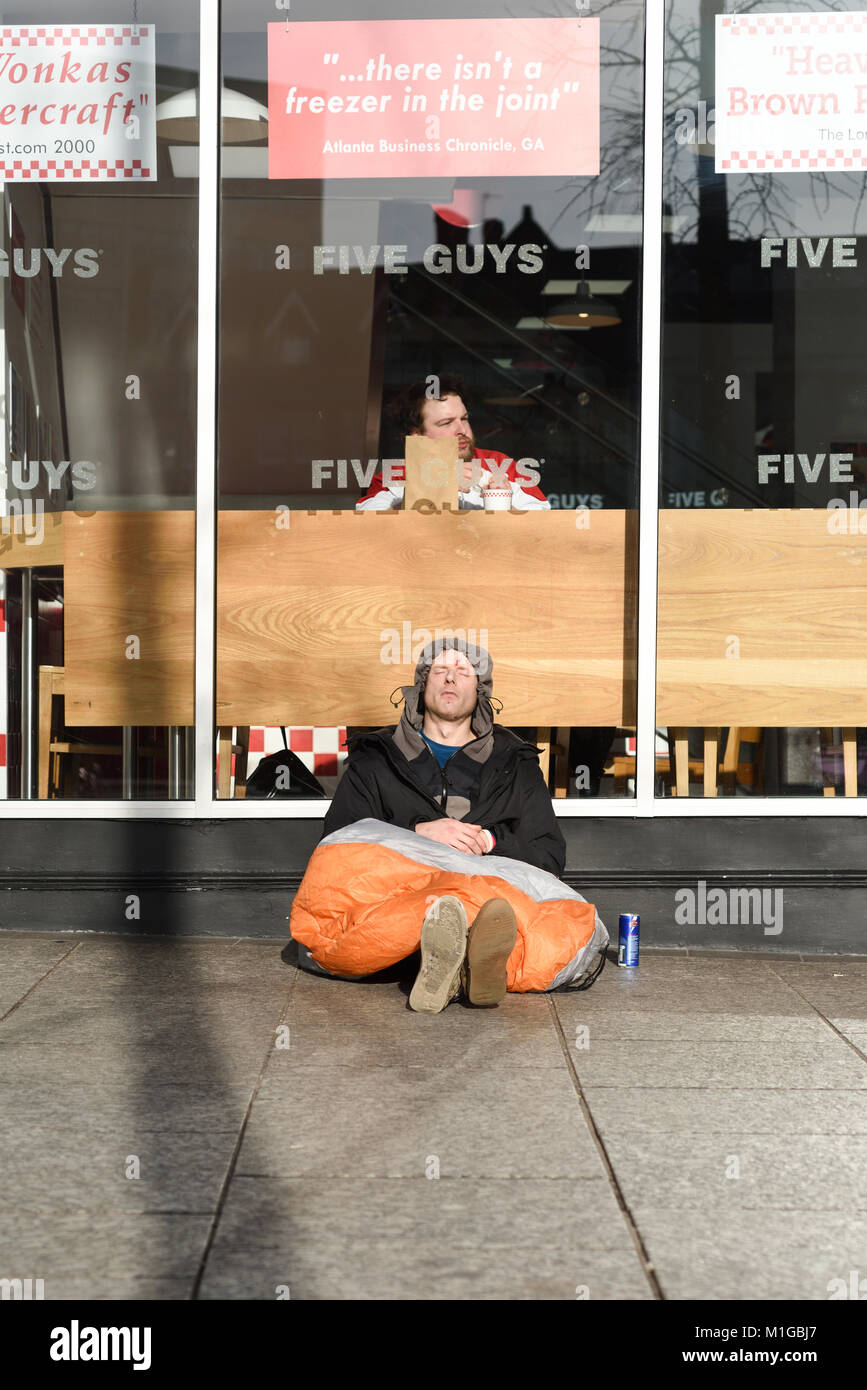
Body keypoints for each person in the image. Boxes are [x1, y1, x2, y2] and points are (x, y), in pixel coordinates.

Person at [296, 638, 572, 1013]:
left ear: (481, 690)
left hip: (489, 893)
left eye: (463, 672)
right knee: (357, 915)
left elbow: (548, 854)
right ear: (422, 684)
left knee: (564, 922)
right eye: (440, 670)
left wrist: (488, 842)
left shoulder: (516, 764)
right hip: (399, 895)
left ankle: (454, 958)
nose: (450, 679)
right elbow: (337, 846)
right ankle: (464, 961)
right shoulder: (375, 760)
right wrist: (416, 834)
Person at [356, 375, 550, 511]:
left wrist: (504, 505)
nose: (462, 430)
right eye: (446, 423)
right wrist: (428, 489)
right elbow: (365, 527)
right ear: (416, 434)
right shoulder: (394, 476)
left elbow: (545, 527)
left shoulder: (500, 465)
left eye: (464, 419)